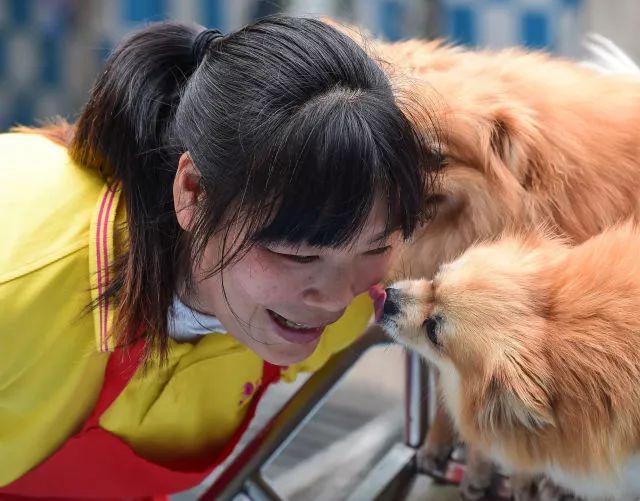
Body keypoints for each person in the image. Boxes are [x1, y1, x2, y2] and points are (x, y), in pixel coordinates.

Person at [0, 15, 437, 498]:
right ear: (193, 191)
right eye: (297, 254)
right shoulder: (17, 268)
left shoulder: (342, 308)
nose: (334, 297)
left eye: (376, 247)